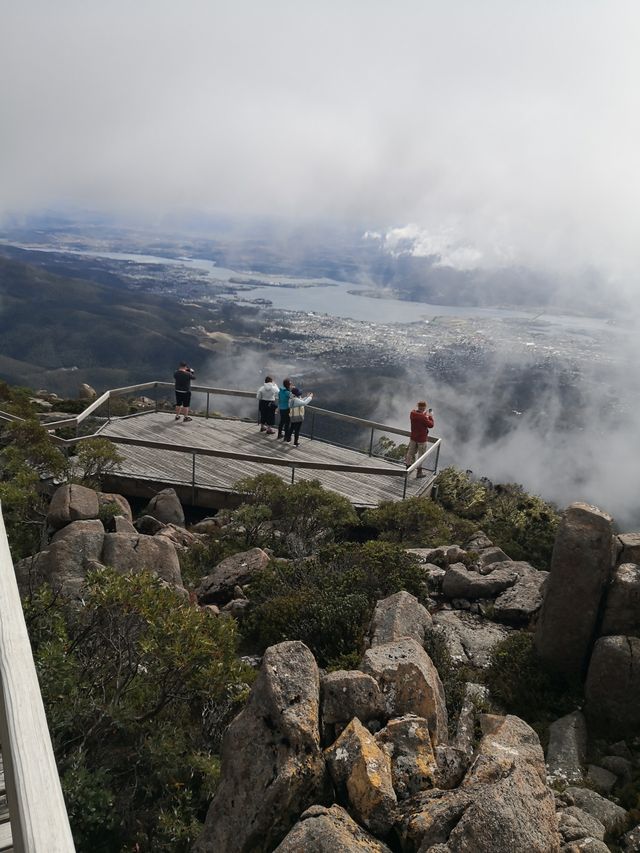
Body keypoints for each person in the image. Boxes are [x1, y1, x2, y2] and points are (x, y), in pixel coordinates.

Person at [404, 400, 434, 478]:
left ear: (418, 406)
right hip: (422, 439)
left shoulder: (412, 413)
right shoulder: (423, 417)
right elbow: (431, 425)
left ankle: (407, 468)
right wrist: (430, 416)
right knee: (421, 456)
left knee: (410, 453)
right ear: (424, 408)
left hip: (413, 437)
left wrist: (425, 415)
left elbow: (419, 416)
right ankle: (419, 472)